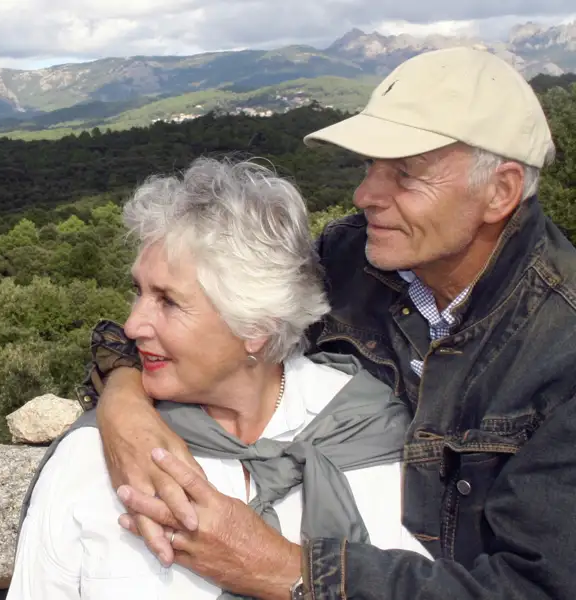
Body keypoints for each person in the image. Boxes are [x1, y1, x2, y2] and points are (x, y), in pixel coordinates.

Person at [87, 46, 576, 599]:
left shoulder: (562, 349)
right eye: (369, 167)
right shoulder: (351, 259)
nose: (365, 194)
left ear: (501, 190)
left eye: (405, 174)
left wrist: (287, 569)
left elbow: (538, 588)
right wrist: (124, 405)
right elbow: (200, 322)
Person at [7, 157, 430, 600]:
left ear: (256, 326)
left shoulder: (376, 440)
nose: (132, 326)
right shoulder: (93, 458)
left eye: (167, 301)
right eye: (139, 291)